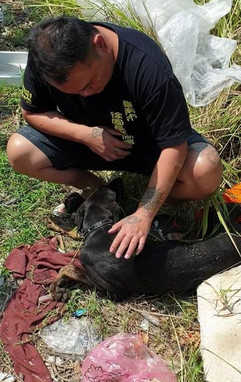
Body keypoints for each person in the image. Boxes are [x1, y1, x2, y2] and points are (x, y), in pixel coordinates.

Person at [6, 16, 223, 260]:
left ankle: (158, 203)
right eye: (74, 93)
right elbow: (32, 112)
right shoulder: (45, 59)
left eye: (88, 85)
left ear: (100, 44)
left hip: (150, 146)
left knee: (206, 171)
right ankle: (96, 188)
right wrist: (86, 134)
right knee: (19, 152)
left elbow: (174, 147)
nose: (85, 94)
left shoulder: (147, 67)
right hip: (89, 143)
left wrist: (143, 214)